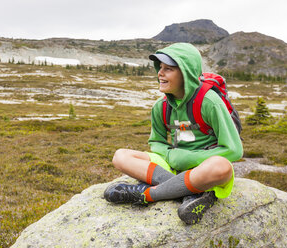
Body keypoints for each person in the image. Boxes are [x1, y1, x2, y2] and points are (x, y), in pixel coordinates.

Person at [104, 43, 243, 225]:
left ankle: (148, 194)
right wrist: (172, 156)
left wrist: (188, 159)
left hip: (202, 169)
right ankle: (190, 193)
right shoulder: (160, 106)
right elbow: (156, 142)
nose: (160, 73)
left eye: (168, 69)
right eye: (160, 68)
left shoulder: (209, 102)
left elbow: (234, 150)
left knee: (221, 167)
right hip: (171, 165)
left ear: (186, 73)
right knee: (120, 156)